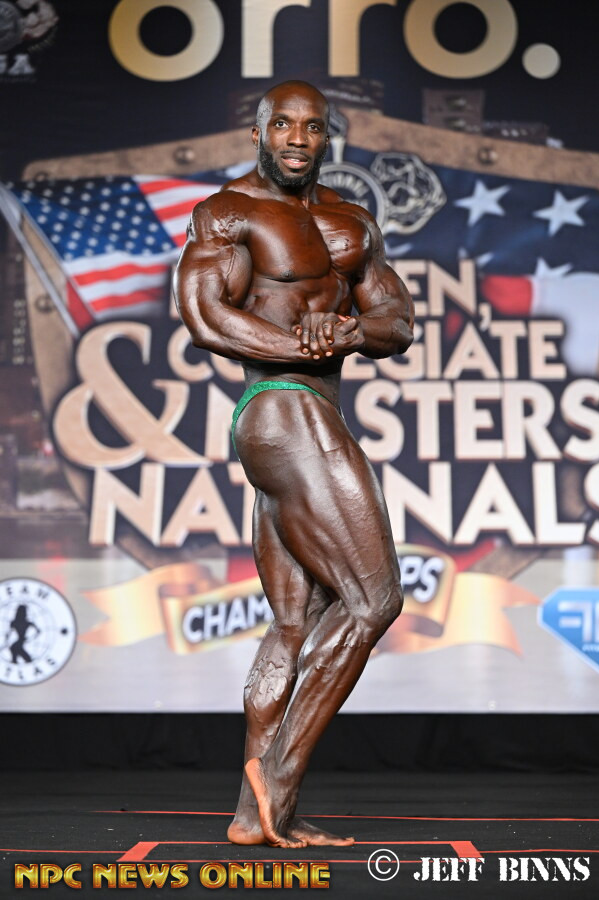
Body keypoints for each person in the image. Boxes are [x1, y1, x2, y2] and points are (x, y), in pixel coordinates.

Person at [175, 80, 414, 849]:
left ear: (326, 136)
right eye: (283, 124)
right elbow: (205, 315)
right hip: (282, 407)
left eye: (312, 126)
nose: (298, 138)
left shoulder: (352, 221)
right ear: (259, 133)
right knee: (374, 599)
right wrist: (299, 346)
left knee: (292, 621)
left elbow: (396, 320)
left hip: (304, 415)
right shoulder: (229, 212)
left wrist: (346, 333)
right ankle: (275, 781)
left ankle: (254, 817)